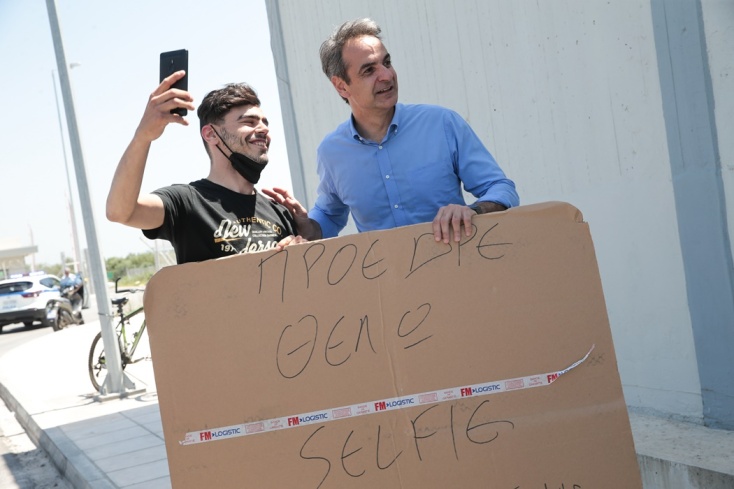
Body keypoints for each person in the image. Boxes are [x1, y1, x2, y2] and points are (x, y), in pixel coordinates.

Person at [266, 18, 519, 246]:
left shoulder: (442, 123)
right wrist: (306, 226)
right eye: (369, 70)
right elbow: (330, 215)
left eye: (386, 62)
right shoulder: (331, 152)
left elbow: (501, 188)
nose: (387, 75)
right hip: (386, 281)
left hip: (458, 272)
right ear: (341, 86)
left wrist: (474, 210)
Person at [107, 73, 305, 264]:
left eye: (265, 123)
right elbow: (120, 212)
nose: (264, 129)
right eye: (249, 122)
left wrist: (303, 244)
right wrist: (143, 136)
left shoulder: (280, 212)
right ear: (211, 134)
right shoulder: (186, 202)